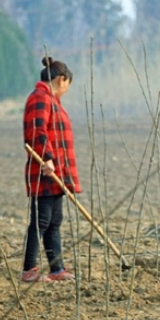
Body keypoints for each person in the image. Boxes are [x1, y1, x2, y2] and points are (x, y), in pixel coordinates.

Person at [22, 57, 79, 282]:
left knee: (54, 221)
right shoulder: (40, 98)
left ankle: (57, 269)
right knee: (41, 221)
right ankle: (30, 270)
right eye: (67, 85)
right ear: (61, 80)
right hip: (44, 172)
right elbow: (37, 132)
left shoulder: (52, 101)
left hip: (57, 174)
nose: (66, 90)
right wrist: (47, 158)